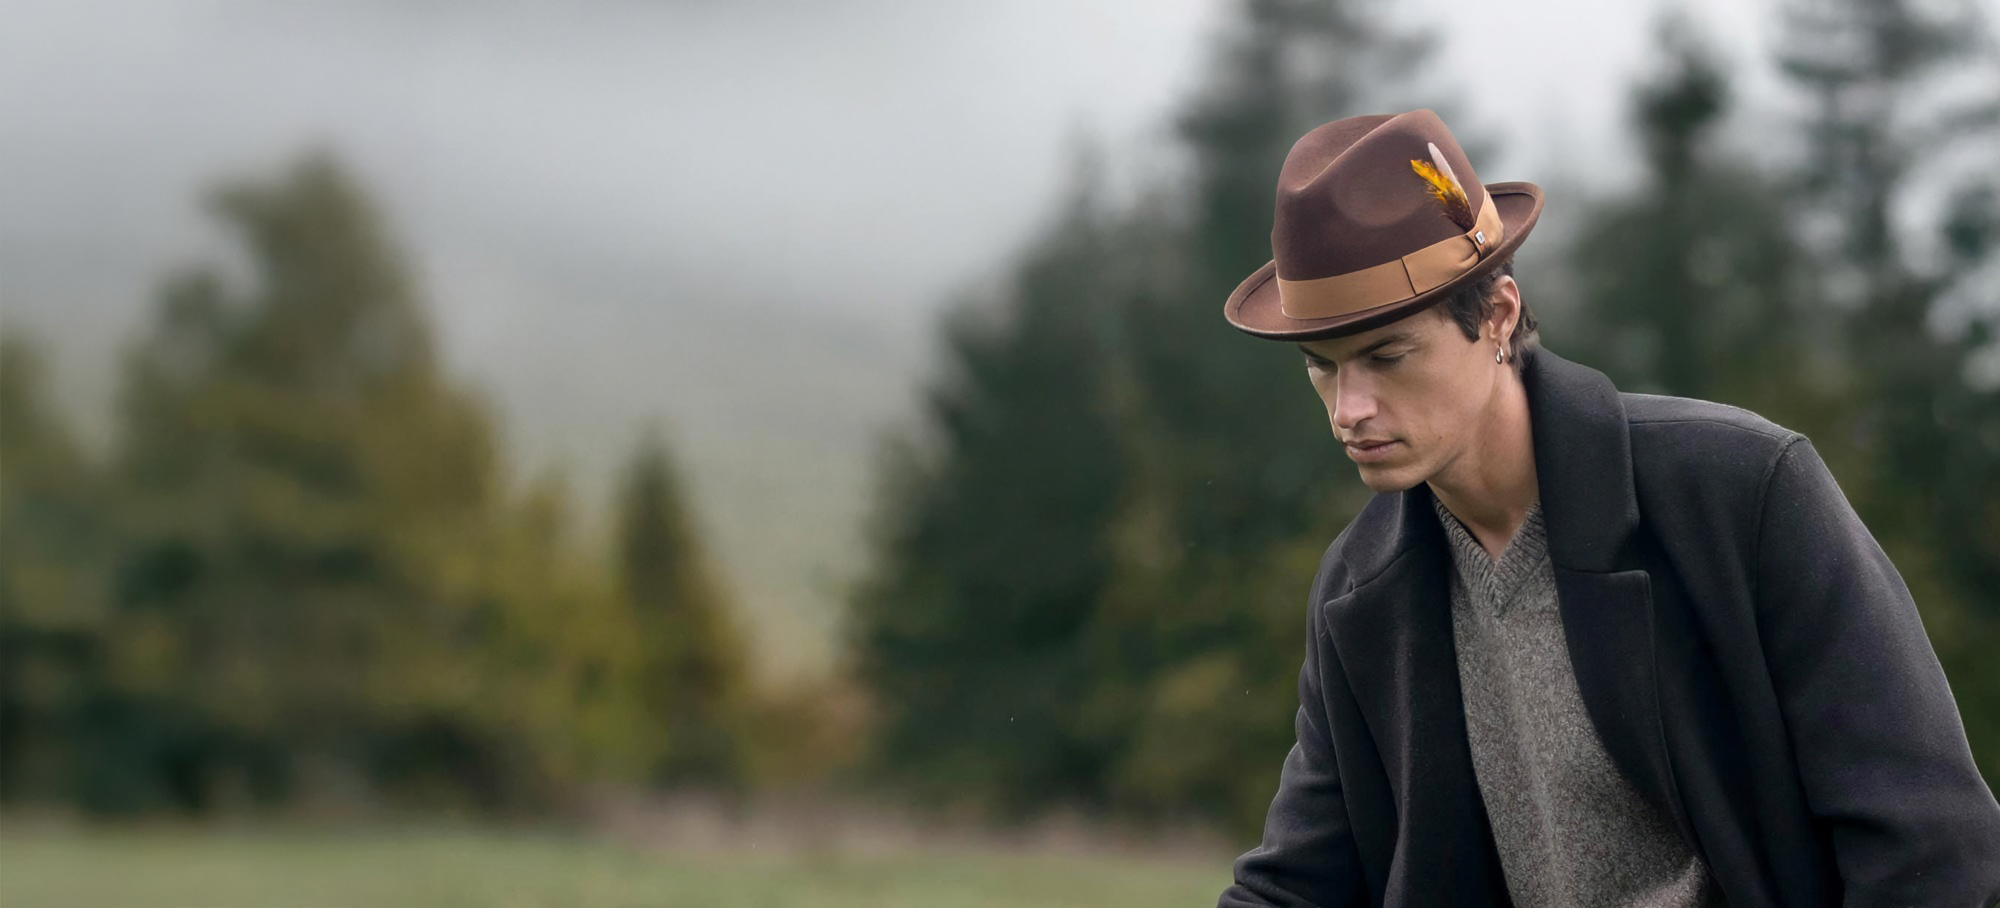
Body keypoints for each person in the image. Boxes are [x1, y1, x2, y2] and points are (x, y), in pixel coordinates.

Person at [1213, 109, 2000, 907]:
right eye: (1322, 366)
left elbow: (1929, 841)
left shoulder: (1742, 490)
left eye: (1387, 356)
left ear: (1498, 315)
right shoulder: (1357, 589)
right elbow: (1298, 886)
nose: (1347, 409)